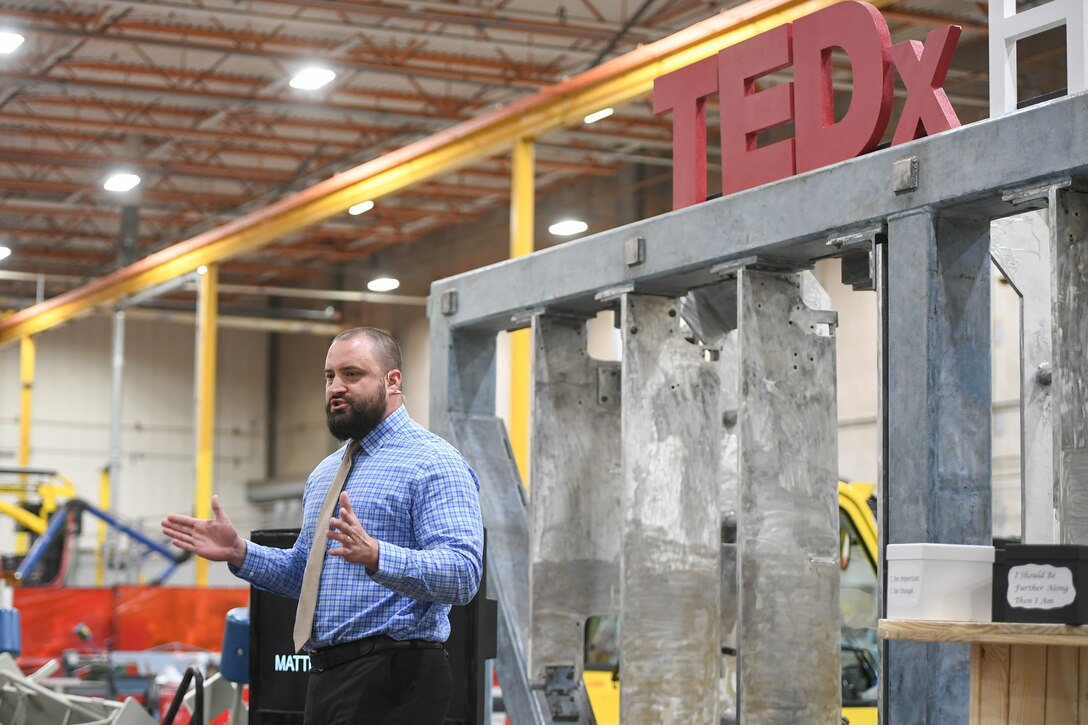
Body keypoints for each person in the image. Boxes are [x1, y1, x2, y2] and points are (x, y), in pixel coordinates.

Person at [162, 327, 484, 725]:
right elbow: (307, 577)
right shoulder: (325, 474)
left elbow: (463, 573)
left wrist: (378, 556)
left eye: (352, 374)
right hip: (327, 677)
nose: (336, 387)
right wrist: (240, 553)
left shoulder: (434, 463)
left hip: (398, 678)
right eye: (329, 376)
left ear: (393, 381)